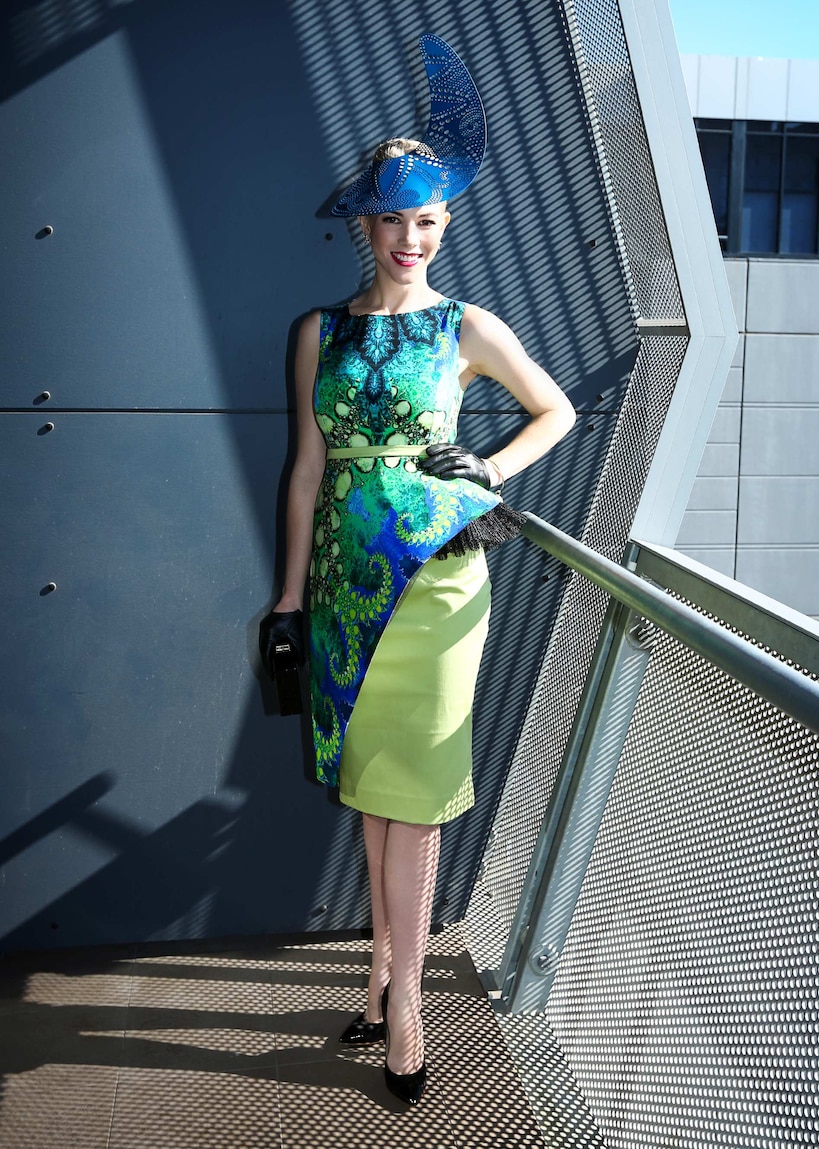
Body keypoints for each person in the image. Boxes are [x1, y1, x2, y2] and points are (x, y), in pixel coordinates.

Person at [260, 34, 575, 1105]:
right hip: (349, 585)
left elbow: (556, 412)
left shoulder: (465, 326)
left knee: (419, 790)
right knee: (372, 785)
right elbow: (305, 471)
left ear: (446, 226)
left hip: (440, 581)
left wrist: (486, 462)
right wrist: (291, 598)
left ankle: (406, 1009)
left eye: (426, 220)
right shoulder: (318, 332)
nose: (408, 237)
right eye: (392, 217)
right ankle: (378, 970)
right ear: (365, 223)